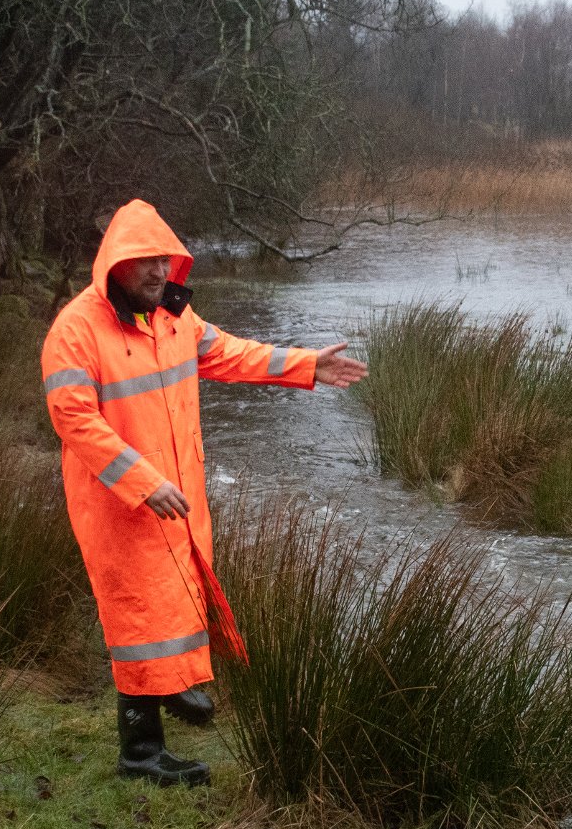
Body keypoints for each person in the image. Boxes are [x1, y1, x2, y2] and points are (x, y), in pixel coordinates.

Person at [40, 199, 366, 785]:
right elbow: (73, 419)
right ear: (113, 264)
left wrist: (304, 366)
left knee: (182, 595)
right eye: (144, 262)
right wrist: (142, 483)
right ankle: (140, 750)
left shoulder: (172, 319)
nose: (158, 272)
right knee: (136, 615)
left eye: (164, 260)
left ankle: (172, 687)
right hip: (120, 503)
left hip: (179, 494)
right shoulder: (76, 331)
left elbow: (230, 353)